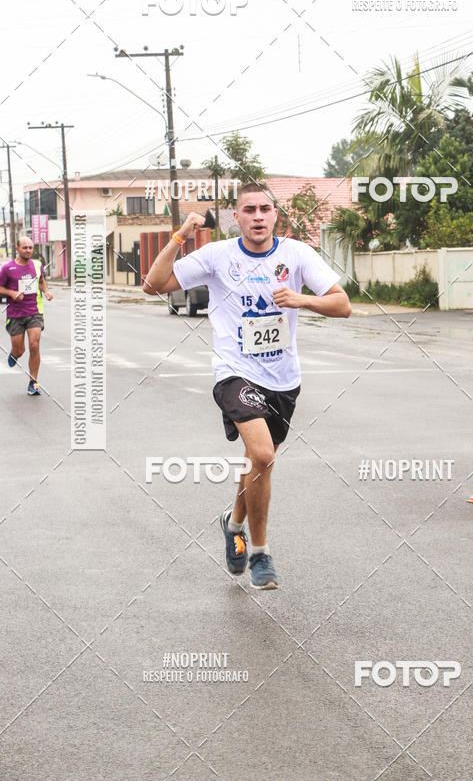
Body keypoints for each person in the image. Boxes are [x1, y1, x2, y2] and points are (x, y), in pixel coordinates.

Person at [143, 182, 351, 590]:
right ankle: (260, 553)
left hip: (283, 380)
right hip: (233, 371)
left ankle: (232, 523)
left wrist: (302, 300)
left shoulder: (297, 254)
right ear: (235, 217)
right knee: (263, 454)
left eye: (265, 209)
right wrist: (180, 237)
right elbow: (154, 285)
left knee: (257, 464)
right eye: (248, 210)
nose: (257, 216)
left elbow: (342, 305)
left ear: (276, 215)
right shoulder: (218, 255)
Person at [0, 236, 53, 396]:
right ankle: (14, 354)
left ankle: (33, 382)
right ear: (17, 249)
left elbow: (41, 281)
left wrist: (47, 291)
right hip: (15, 314)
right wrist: (12, 293)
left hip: (34, 311)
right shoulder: (7, 268)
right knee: (20, 349)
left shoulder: (37, 265)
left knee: (34, 345)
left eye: (30, 247)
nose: (28, 250)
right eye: (25, 248)